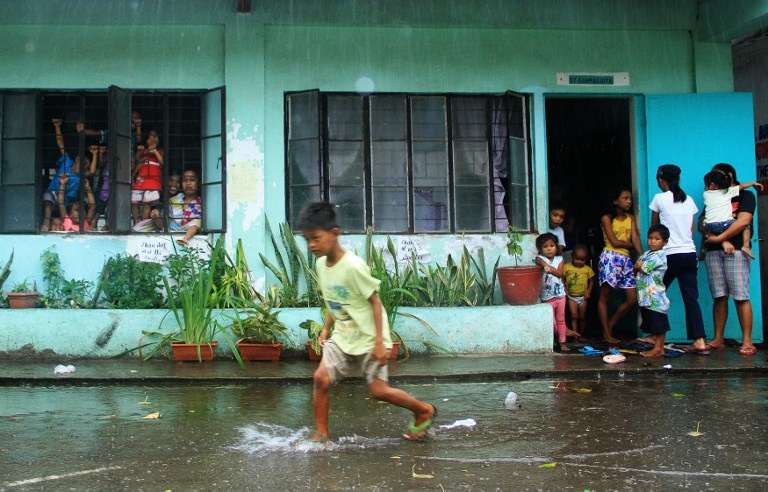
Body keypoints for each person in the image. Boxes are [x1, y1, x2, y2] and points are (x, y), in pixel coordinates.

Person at [298, 201, 436, 442]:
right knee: (320, 378)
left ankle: (424, 411)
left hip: (370, 337)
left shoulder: (353, 266)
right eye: (307, 239)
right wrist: (327, 327)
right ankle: (321, 433)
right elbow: (334, 298)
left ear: (334, 233)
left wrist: (382, 343)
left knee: (379, 391)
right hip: (343, 336)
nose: (311, 245)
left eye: (316, 238)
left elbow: (375, 302)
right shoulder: (321, 265)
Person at [649, 164, 709, 354]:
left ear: (661, 180)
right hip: (689, 255)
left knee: (654, 294)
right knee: (691, 298)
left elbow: (655, 230)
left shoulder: (659, 199)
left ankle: (654, 335)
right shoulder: (688, 200)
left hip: (668, 256)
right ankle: (699, 340)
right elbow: (690, 230)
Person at [699, 163, 758, 356]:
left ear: (730, 177)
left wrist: (720, 238)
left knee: (741, 296)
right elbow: (702, 223)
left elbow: (743, 221)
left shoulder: (745, 196)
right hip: (714, 251)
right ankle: (718, 339)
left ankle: (747, 340)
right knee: (719, 295)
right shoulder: (713, 196)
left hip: (738, 251)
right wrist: (716, 241)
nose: (713, 183)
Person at [597, 187, 642, 344]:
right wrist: (631, 244)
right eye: (625, 198)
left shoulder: (630, 218)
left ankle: (609, 326)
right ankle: (606, 333)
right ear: (616, 201)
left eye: (630, 198)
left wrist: (643, 256)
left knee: (632, 299)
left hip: (626, 260)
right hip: (610, 257)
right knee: (605, 296)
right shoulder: (607, 218)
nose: (629, 201)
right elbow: (614, 242)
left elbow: (635, 238)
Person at [41, 119, 97, 231]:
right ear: (77, 159)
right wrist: (57, 127)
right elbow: (60, 143)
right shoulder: (67, 161)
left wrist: (95, 154)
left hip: (67, 200)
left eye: (87, 165)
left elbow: (92, 171)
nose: (85, 166)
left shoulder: (82, 175)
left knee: (69, 211)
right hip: (53, 193)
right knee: (47, 201)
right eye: (84, 163)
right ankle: (46, 222)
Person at [701, 170, 762, 259]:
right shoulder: (728, 192)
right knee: (743, 224)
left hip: (708, 226)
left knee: (713, 225)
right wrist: (752, 183)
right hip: (722, 225)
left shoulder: (706, 194)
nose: (704, 187)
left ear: (712, 185)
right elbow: (741, 187)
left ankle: (708, 246)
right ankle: (746, 246)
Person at [633, 224, 671, 357]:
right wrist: (638, 266)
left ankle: (658, 349)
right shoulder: (646, 254)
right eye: (650, 238)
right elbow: (636, 267)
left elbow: (643, 268)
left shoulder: (660, 255)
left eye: (657, 239)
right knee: (651, 322)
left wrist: (639, 266)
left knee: (659, 324)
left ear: (665, 242)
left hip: (656, 297)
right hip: (645, 296)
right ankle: (657, 346)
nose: (652, 241)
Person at [535, 232, 569, 352]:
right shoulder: (540, 259)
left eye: (552, 246)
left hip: (560, 295)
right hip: (546, 297)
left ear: (556, 247)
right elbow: (540, 261)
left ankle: (562, 342)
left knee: (561, 320)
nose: (549, 249)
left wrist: (551, 270)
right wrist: (545, 266)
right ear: (540, 249)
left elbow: (560, 274)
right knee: (552, 322)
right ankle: (553, 340)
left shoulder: (560, 259)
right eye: (545, 246)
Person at [131, 129, 164, 225]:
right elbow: (136, 160)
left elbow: (162, 163)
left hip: (153, 181)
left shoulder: (160, 151)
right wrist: (139, 151)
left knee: (147, 204)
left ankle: (143, 223)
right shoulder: (143, 151)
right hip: (140, 181)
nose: (153, 139)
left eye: (155, 136)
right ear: (147, 140)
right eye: (150, 137)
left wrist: (155, 152)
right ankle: (136, 221)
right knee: (133, 201)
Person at [563, 243, 595, 341]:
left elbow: (592, 280)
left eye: (583, 260)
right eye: (577, 259)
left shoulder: (587, 269)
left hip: (583, 297)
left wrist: (588, 292)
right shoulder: (566, 267)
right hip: (571, 296)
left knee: (582, 317)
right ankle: (575, 336)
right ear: (572, 256)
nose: (580, 262)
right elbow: (562, 278)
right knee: (574, 316)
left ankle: (581, 334)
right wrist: (565, 289)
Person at [165, 169, 201, 245]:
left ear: (198, 183)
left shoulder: (201, 204)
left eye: (192, 180)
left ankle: (185, 238)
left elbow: (197, 223)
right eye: (185, 180)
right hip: (167, 240)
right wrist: (155, 214)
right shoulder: (173, 201)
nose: (188, 183)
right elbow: (162, 224)